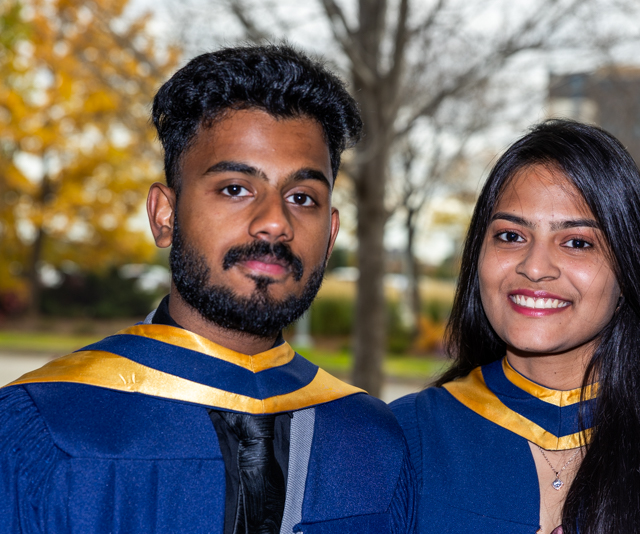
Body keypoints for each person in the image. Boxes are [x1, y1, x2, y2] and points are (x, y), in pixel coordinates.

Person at [0, 45, 413, 534]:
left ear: (331, 234)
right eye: (235, 188)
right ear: (164, 216)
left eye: (302, 197)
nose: (275, 222)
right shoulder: (48, 425)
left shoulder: (371, 441)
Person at [391, 119, 640, 533]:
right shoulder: (407, 438)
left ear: (628, 270)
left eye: (578, 243)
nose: (534, 267)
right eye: (511, 236)